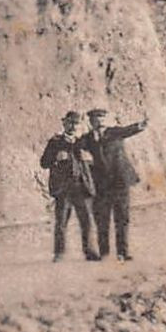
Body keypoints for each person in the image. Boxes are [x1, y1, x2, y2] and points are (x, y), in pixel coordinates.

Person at [83, 107, 149, 261]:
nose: (98, 121)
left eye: (101, 117)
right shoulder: (87, 139)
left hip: (120, 181)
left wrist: (140, 125)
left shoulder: (115, 132)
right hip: (102, 185)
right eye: (95, 118)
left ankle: (123, 252)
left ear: (105, 119)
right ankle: (104, 253)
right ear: (90, 121)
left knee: (122, 217)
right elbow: (75, 146)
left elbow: (129, 130)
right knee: (102, 219)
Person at [40, 110, 100, 262]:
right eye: (70, 123)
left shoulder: (83, 142)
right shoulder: (55, 142)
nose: (73, 126)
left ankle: (90, 251)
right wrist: (55, 158)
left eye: (76, 123)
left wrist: (89, 161)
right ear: (64, 123)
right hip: (64, 189)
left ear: (80, 126)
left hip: (81, 187)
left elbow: (96, 160)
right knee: (61, 222)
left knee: (86, 220)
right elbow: (44, 163)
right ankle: (59, 253)